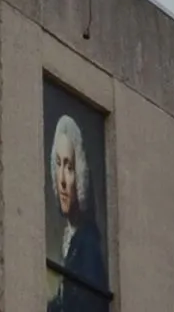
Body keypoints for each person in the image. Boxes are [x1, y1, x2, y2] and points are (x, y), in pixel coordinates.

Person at [49, 110, 111, 308]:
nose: (62, 180)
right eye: (58, 164)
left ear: (80, 175)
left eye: (68, 167)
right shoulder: (71, 237)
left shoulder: (88, 245)